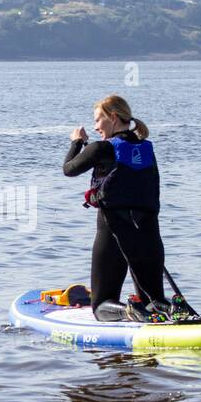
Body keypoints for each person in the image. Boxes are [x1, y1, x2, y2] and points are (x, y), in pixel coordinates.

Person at [62, 94, 168, 322]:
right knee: (155, 300)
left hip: (113, 232)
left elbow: (68, 169)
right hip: (148, 234)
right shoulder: (147, 149)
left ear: (112, 117)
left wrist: (76, 142)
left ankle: (129, 311)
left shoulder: (102, 148)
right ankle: (167, 312)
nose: (96, 126)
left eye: (98, 120)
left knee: (100, 305)